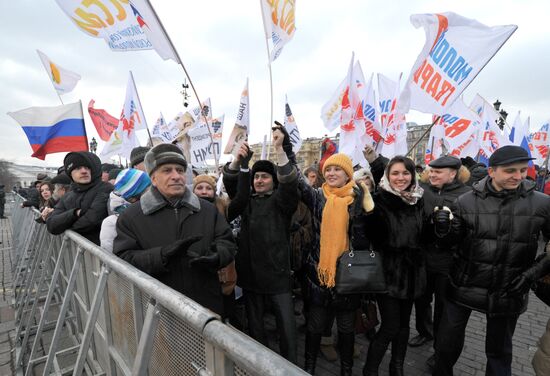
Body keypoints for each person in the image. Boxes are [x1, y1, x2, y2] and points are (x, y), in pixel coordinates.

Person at [433, 146, 550, 376]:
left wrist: (531, 274)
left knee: (499, 353)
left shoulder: (542, 203)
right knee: (446, 346)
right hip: (463, 286)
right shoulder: (465, 202)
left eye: (522, 170)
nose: (518, 176)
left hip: (509, 289)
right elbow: (450, 243)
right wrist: (442, 229)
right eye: (510, 171)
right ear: (491, 171)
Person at [113, 144, 236, 316]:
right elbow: (123, 260)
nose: (176, 176)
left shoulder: (207, 210)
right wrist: (161, 256)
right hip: (157, 311)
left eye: (180, 170)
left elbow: (227, 242)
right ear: (153, 178)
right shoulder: (131, 217)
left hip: (206, 307)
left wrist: (217, 256)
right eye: (167, 170)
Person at [222, 127, 299, 363]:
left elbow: (289, 181)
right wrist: (238, 160)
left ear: (273, 181)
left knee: (287, 327)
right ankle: (260, 364)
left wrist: (279, 149)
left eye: (265, 176)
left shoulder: (282, 200)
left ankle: (290, 366)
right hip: (252, 275)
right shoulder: (246, 201)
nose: (259, 180)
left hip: (278, 276)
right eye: (256, 177)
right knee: (255, 328)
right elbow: (233, 183)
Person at [298, 151, 373, 375]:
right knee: (315, 325)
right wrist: (285, 151)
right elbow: (296, 181)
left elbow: (362, 242)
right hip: (319, 272)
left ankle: (346, 371)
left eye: (337, 169)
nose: (331, 173)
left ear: (347, 173)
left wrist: (360, 211)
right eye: (328, 169)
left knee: (346, 327)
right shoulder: (318, 196)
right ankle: (309, 368)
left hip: (348, 274)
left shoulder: (359, 197)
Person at [363, 155, 427, 376]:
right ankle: (370, 370)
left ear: (413, 175)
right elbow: (375, 237)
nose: (401, 178)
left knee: (403, 327)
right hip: (387, 273)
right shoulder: (379, 199)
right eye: (395, 173)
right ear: (388, 176)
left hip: (412, 274)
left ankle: (396, 367)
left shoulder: (418, 199)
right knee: (390, 326)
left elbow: (424, 237)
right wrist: (370, 215)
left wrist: (442, 226)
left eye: (406, 173)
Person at [409, 156, 471, 370]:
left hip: (448, 263)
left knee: (443, 311)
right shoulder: (422, 190)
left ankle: (439, 350)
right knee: (421, 300)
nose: (432, 175)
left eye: (438, 172)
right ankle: (424, 332)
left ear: (453, 173)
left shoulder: (466, 195)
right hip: (423, 259)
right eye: (431, 171)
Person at [192, 173, 238, 318]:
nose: (204, 191)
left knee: (226, 312)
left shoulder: (223, 208)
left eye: (208, 188)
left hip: (223, 273)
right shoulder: (186, 211)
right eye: (199, 188)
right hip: (198, 275)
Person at [46, 151, 114, 245]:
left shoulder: (106, 188)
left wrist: (65, 226)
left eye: (87, 167)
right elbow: (52, 225)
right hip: (76, 254)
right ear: (70, 173)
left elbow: (92, 220)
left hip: (101, 251)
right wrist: (75, 213)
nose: (84, 171)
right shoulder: (67, 197)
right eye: (78, 168)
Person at [100, 169, 151, 252]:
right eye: (148, 188)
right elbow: (109, 258)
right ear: (133, 198)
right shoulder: (112, 223)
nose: (154, 191)